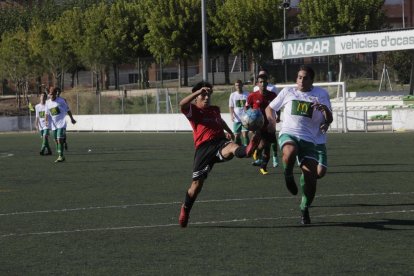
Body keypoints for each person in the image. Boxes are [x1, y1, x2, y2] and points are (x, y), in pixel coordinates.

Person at [178, 81, 260, 228]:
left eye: (208, 94)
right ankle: (185, 208)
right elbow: (181, 104)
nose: (206, 97)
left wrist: (228, 131)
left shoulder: (214, 109)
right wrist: (198, 92)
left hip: (220, 142)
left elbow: (220, 120)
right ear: (196, 97)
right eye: (203, 94)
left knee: (232, 148)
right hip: (203, 149)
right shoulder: (193, 110)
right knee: (196, 186)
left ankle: (248, 150)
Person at [265, 65, 332, 224]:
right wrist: (271, 121)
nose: (301, 81)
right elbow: (270, 108)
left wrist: (324, 111)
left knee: (311, 180)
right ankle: (288, 174)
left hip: (310, 139)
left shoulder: (321, 94)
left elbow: (329, 119)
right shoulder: (288, 92)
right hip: (289, 132)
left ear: (312, 80)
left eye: (305, 78)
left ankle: (304, 207)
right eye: (299, 77)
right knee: (290, 150)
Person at [246, 73, 277, 175]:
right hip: (258, 125)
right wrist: (249, 121)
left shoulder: (273, 95)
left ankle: (263, 167)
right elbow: (247, 109)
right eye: (261, 82)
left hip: (269, 124)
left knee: (267, 147)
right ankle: (257, 152)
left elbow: (277, 107)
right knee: (263, 143)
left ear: (267, 83)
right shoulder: (252, 96)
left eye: (264, 82)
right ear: (257, 84)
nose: (263, 84)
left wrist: (277, 118)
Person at [252, 69, 279, 168]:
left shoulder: (273, 90)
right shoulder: (254, 90)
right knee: (263, 143)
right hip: (259, 121)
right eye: (260, 80)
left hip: (270, 120)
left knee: (271, 142)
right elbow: (251, 105)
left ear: (267, 80)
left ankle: (271, 159)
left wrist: (278, 116)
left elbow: (277, 104)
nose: (262, 83)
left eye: (264, 79)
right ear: (258, 82)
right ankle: (258, 155)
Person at [45, 86, 77, 163]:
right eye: (50, 94)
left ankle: (61, 156)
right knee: (56, 140)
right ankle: (61, 152)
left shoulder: (61, 101)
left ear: (56, 94)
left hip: (61, 123)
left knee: (59, 139)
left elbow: (68, 110)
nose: (51, 95)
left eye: (53, 94)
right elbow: (47, 113)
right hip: (53, 125)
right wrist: (46, 121)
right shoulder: (47, 102)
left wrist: (72, 119)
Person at [229, 80, 250, 146]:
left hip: (245, 118)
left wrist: (248, 110)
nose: (238, 86)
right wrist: (231, 115)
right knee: (237, 136)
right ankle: (240, 148)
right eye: (236, 85)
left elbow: (250, 105)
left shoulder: (247, 94)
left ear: (242, 85)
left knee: (245, 134)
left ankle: (247, 149)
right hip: (236, 118)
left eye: (239, 85)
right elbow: (231, 106)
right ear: (235, 86)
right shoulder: (232, 95)